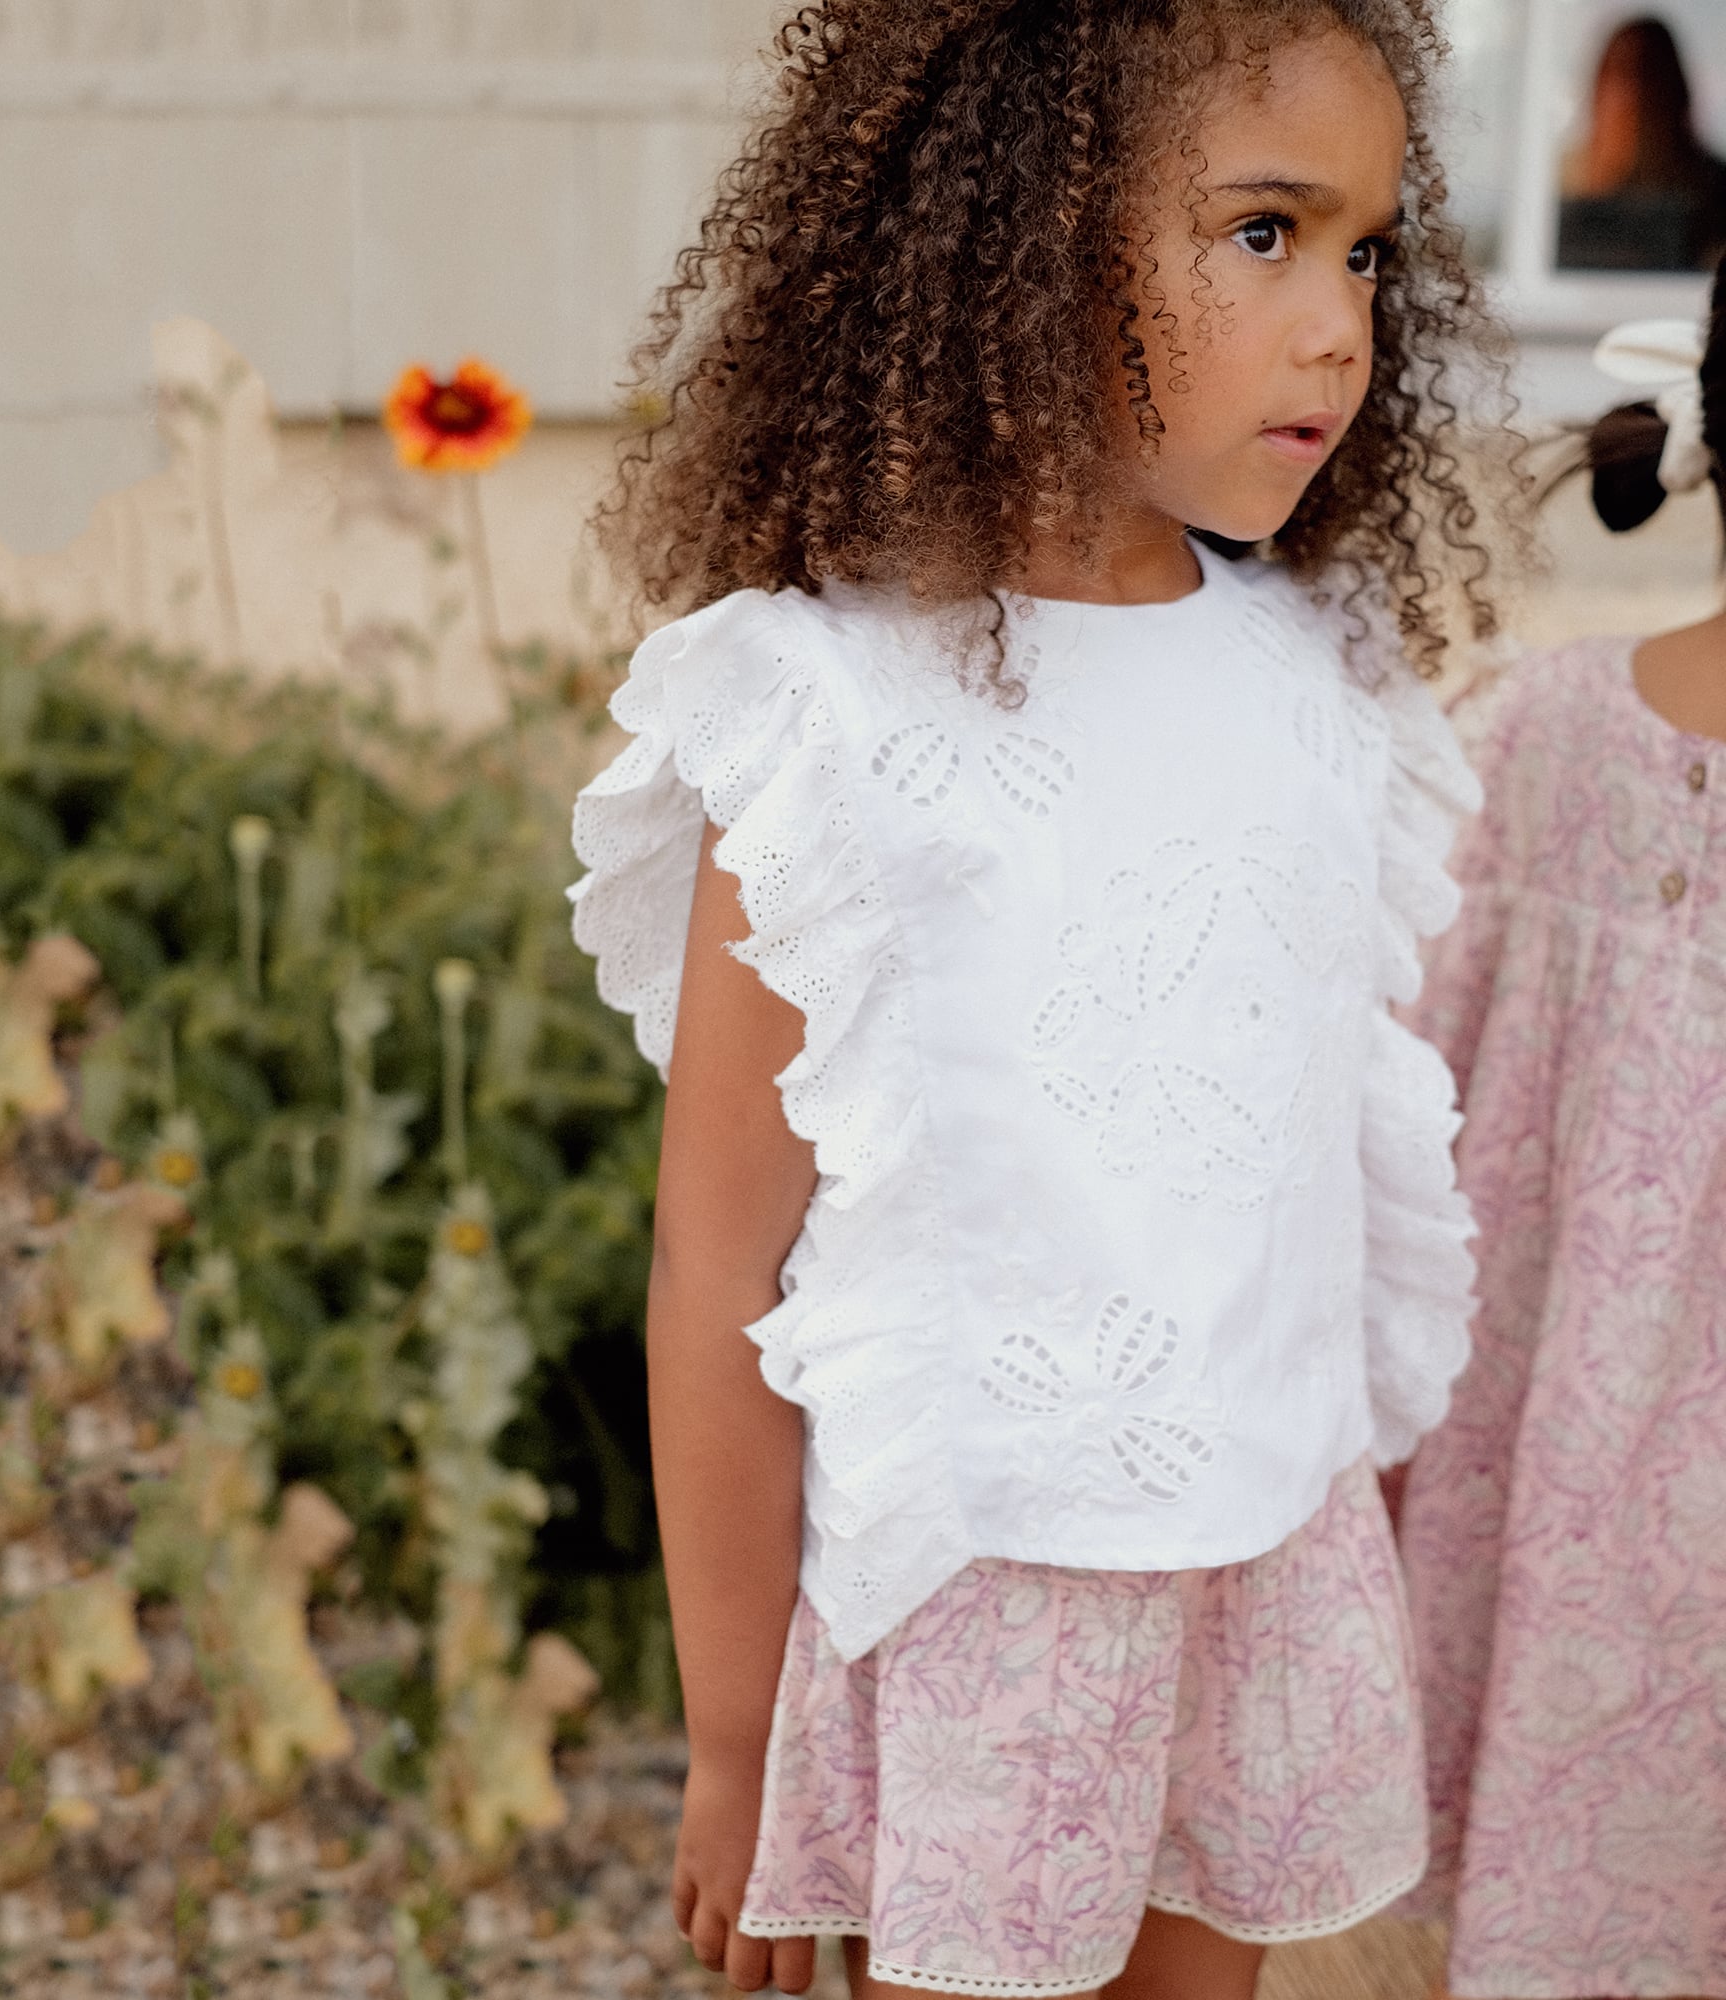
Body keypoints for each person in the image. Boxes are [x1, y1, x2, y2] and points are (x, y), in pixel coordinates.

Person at [571, 4, 1512, 1995]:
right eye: (1264, 232)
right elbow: (717, 1257)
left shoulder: (1319, 687)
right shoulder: (829, 710)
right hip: (979, 1603)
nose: (1338, 323)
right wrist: (736, 1733)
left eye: (1362, 249)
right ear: (1029, 231)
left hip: (1249, 1565)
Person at [1397, 271, 1726, 2000]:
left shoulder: (1548, 734)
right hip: (1601, 1557)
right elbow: (1410, 1114)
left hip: (1585, 1553)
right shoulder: (1550, 746)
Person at [1557, 16, 1726, 272]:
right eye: (1620, 72)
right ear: (1599, 86)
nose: (1633, 93)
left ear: (1673, 89)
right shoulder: (1562, 179)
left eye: (1649, 74)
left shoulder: (1713, 186)